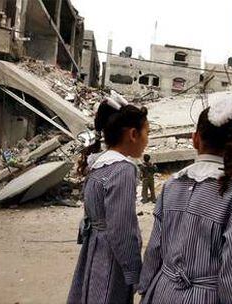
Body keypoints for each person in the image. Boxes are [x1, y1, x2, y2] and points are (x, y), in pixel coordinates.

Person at [138, 97, 232, 304]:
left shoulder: (172, 185)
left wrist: (145, 288)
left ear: (195, 139)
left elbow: (154, 249)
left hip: (162, 292)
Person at [67, 99, 149, 304]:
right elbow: (122, 228)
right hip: (112, 258)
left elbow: (89, 219)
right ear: (132, 134)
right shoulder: (123, 169)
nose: (147, 139)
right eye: (147, 132)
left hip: (92, 251)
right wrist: (135, 273)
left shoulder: (98, 165)